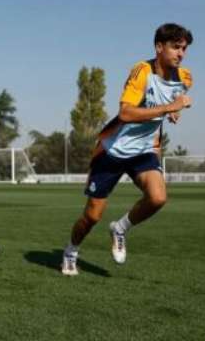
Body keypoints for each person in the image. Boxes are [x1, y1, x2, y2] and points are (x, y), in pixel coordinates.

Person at [62, 23, 194, 276]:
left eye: (184, 49)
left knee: (158, 198)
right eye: (176, 47)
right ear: (159, 47)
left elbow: (174, 98)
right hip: (112, 151)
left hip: (144, 151)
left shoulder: (185, 77)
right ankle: (71, 250)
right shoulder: (142, 71)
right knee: (91, 217)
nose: (181, 53)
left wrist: (175, 110)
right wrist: (169, 108)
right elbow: (125, 112)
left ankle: (120, 228)